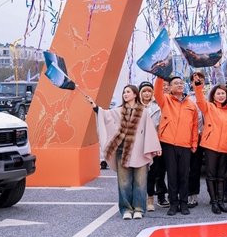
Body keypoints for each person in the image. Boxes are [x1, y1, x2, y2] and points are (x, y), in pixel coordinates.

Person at [84, 85, 161, 220]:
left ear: (135, 94)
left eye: (128, 92)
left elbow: (150, 131)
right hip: (123, 150)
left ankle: (139, 208)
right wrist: (95, 106)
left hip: (140, 151)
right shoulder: (119, 111)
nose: (125, 94)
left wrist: (155, 147)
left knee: (140, 181)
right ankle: (126, 209)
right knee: (123, 182)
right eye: (124, 92)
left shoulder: (143, 112)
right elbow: (105, 115)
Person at [154, 76, 199, 216]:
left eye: (181, 83)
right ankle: (173, 204)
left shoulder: (191, 104)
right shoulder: (165, 100)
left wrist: (194, 143)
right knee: (172, 175)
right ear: (170, 87)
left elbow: (194, 126)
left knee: (184, 175)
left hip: (185, 145)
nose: (179, 85)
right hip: (169, 144)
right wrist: (160, 75)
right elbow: (157, 91)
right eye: (176, 83)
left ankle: (183, 203)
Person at [193, 77, 227, 214]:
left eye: (223, 93)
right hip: (211, 146)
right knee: (211, 175)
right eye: (218, 93)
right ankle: (214, 202)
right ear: (213, 95)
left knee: (221, 176)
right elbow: (200, 100)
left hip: (225, 147)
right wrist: (198, 86)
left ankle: (221, 202)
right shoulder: (209, 107)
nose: (221, 95)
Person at [138, 82, 168, 211]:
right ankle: (140, 199)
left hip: (155, 143)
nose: (147, 94)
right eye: (144, 91)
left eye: (149, 91)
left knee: (155, 172)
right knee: (140, 173)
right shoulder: (135, 106)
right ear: (140, 93)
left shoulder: (158, 107)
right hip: (139, 144)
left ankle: (153, 198)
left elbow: (162, 125)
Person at [186, 71, 207, 208]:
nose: (198, 83)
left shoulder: (209, 96)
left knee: (196, 168)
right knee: (187, 168)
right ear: (191, 83)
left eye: (201, 81)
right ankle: (186, 194)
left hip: (204, 137)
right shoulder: (187, 98)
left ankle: (194, 194)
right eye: (195, 81)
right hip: (188, 137)